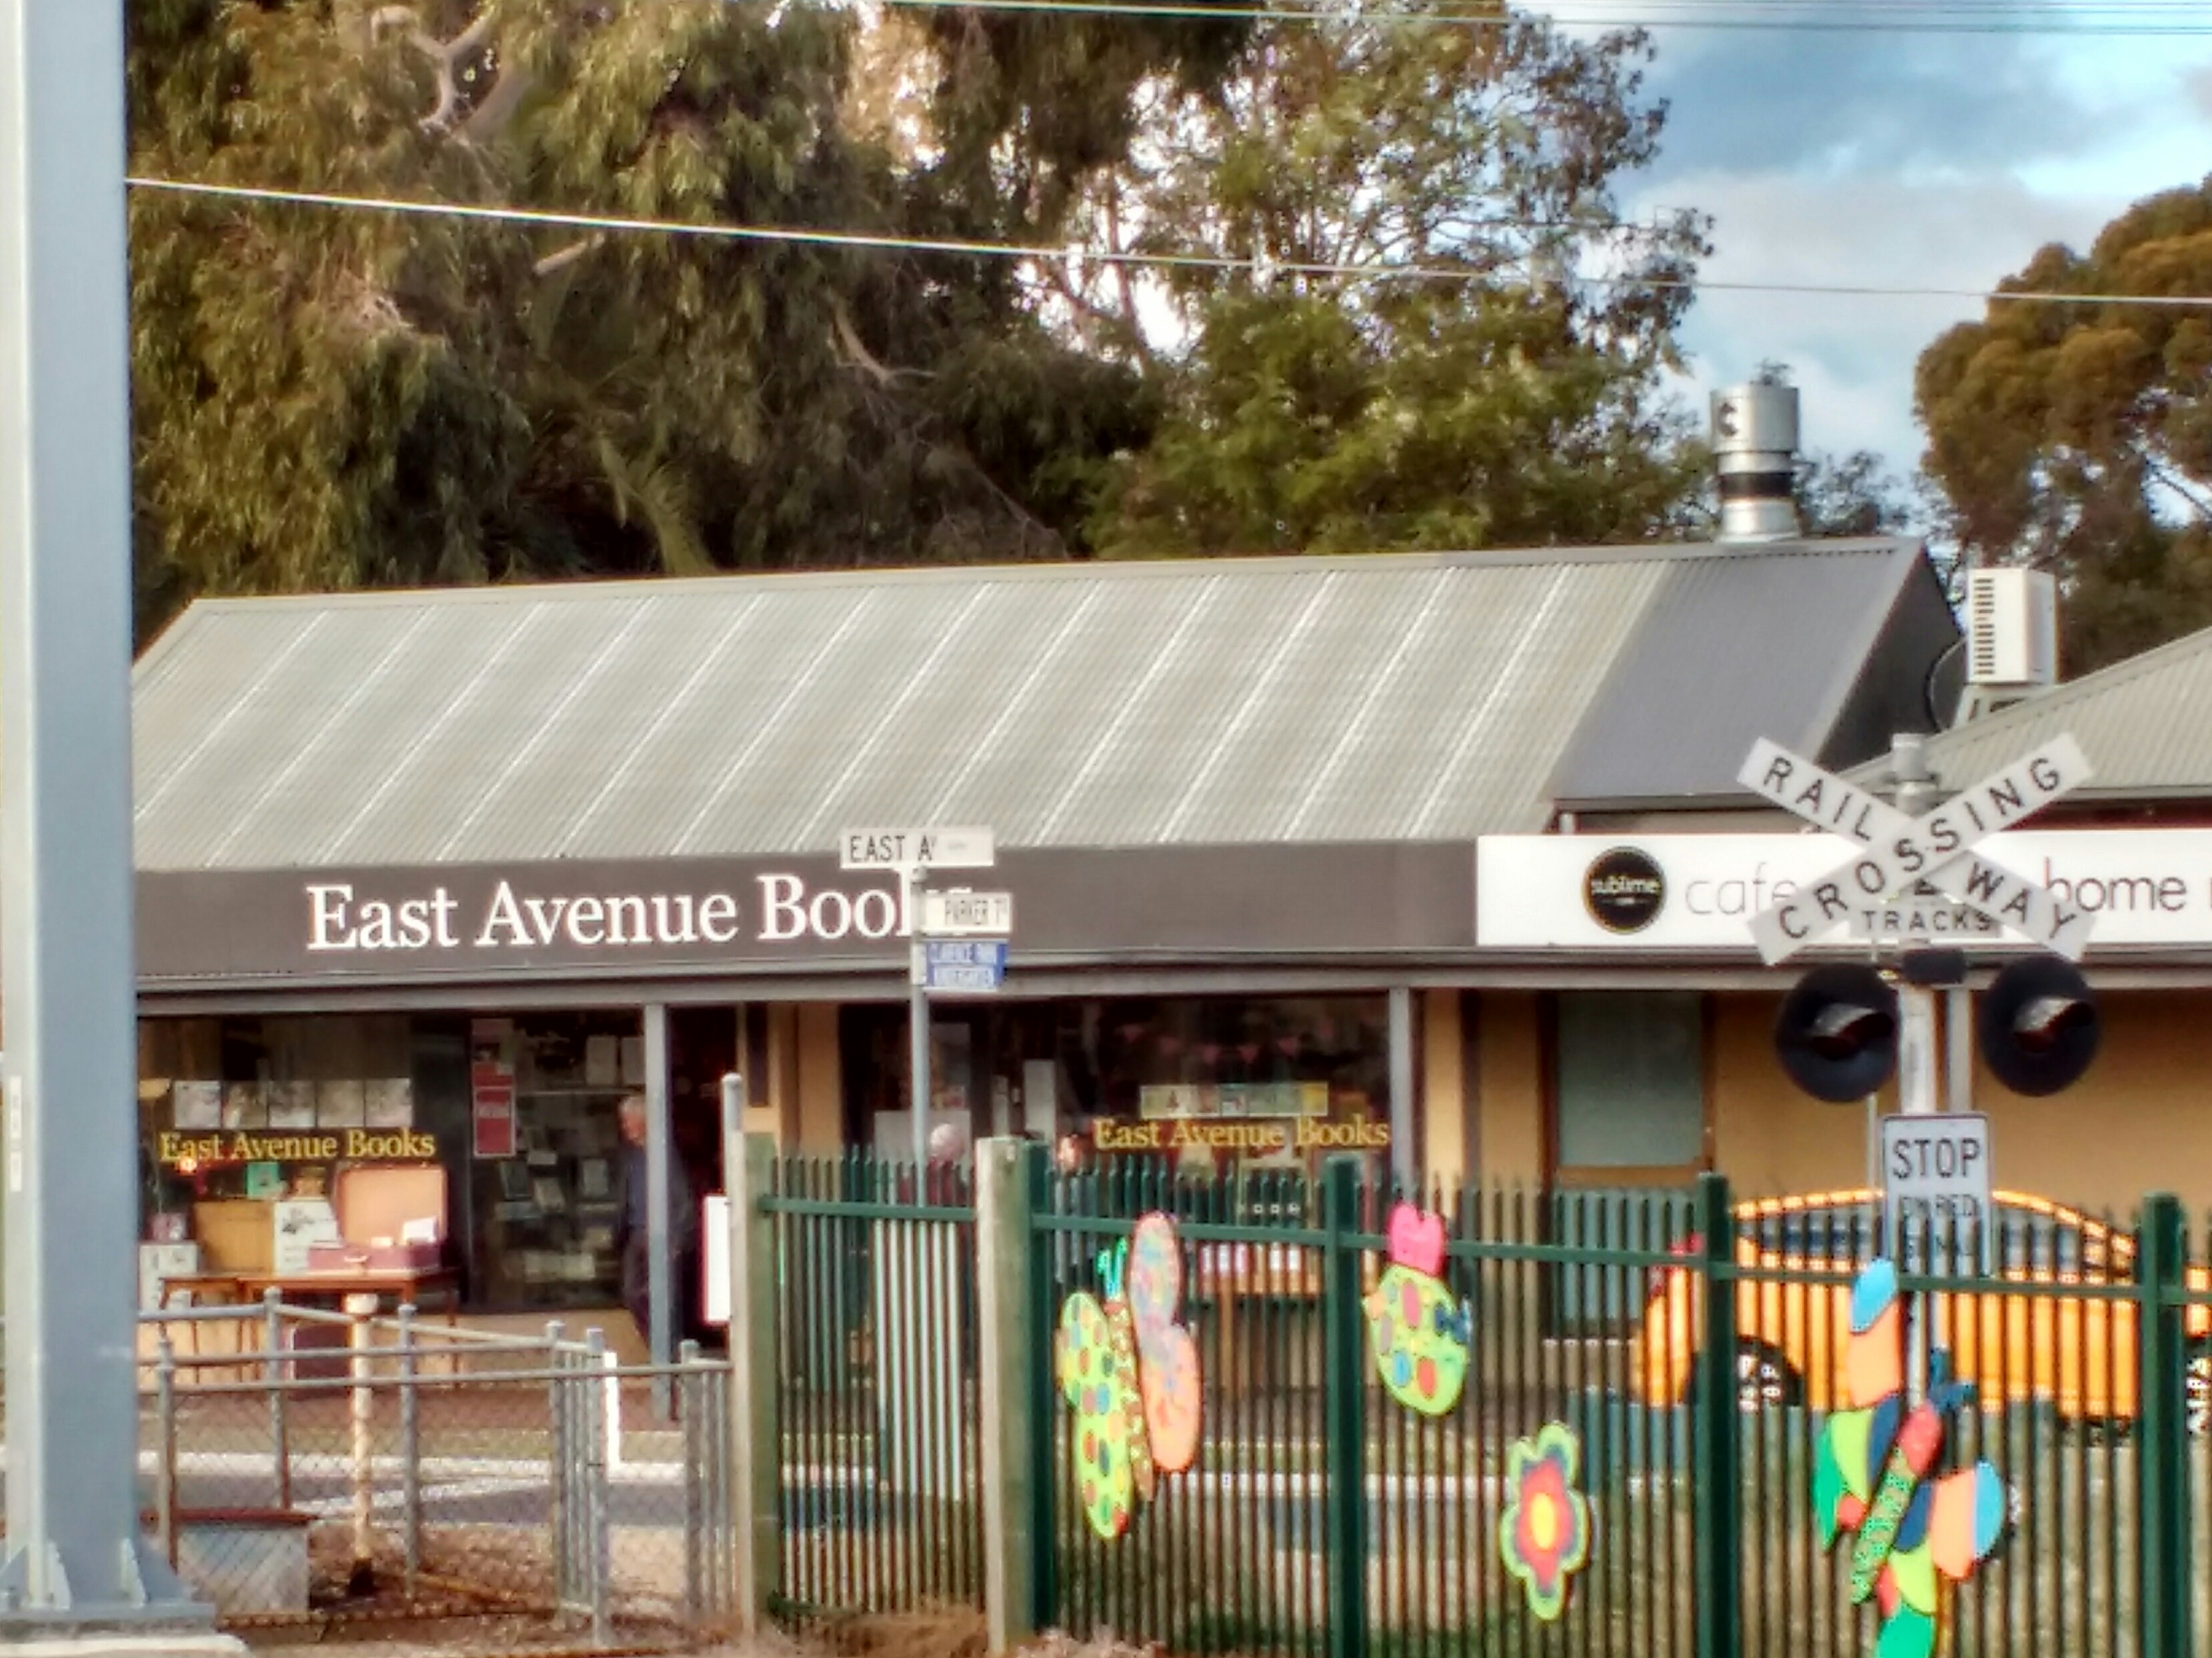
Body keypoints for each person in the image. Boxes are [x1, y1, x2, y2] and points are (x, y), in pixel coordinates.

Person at [612, 1093, 699, 1353]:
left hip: (663, 1236)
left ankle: (670, 1355)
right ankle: (658, 1348)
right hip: (637, 1234)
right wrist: (617, 1233)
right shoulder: (633, 1157)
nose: (625, 1127)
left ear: (644, 1121)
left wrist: (679, 1240)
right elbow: (626, 1197)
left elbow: (683, 1199)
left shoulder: (664, 1154)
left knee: (664, 1299)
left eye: (629, 1121)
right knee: (632, 1294)